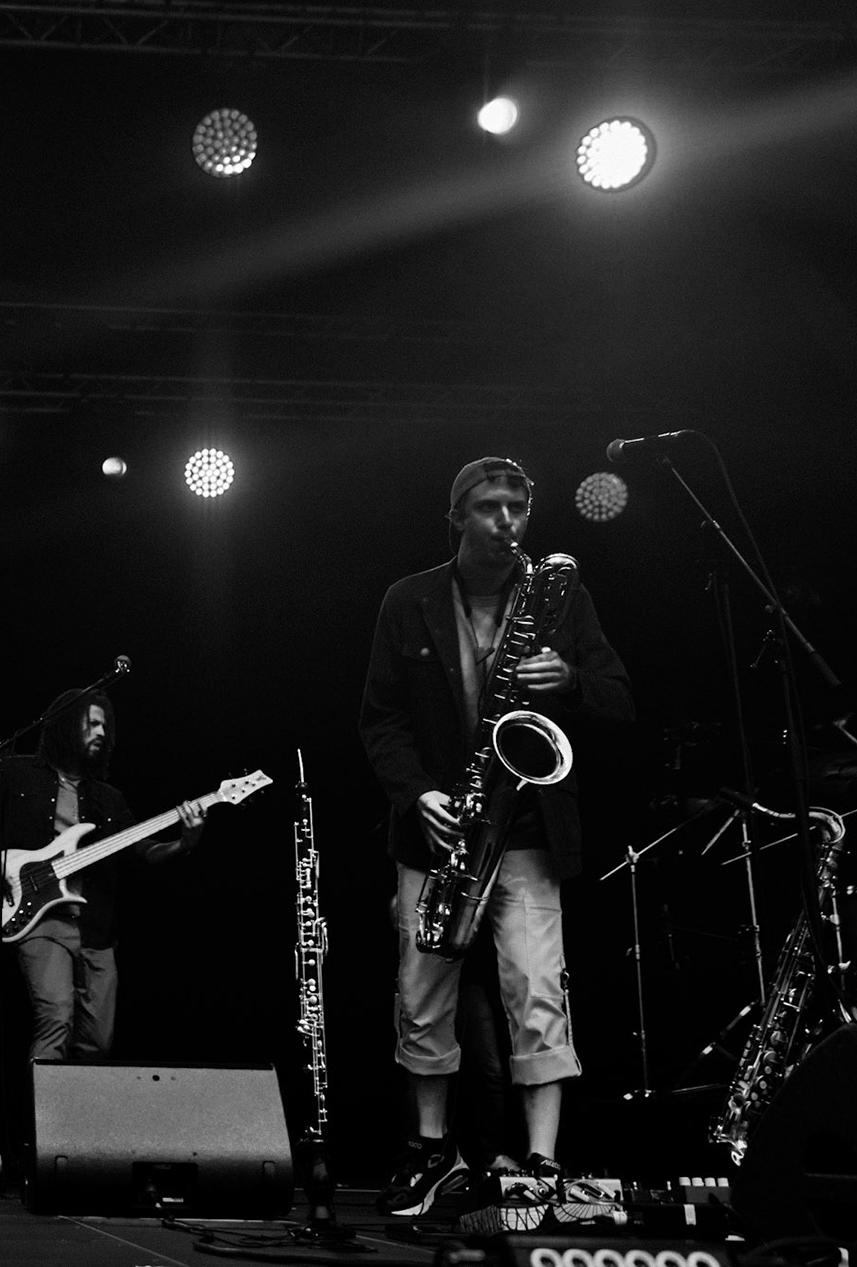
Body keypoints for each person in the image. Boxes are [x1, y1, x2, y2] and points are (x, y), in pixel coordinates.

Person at [358, 455, 632, 1216]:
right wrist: (417, 795)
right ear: (457, 517)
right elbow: (379, 720)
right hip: (438, 829)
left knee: (538, 987)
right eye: (489, 506)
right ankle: (429, 1150)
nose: (507, 520)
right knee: (422, 995)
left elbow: (618, 699)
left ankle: (542, 1164)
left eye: (518, 505)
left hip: (527, 825)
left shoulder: (560, 600)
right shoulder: (407, 599)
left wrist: (569, 680)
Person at [0, 688, 205, 1064]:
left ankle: (78, 1117)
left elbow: (145, 851)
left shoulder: (109, 799)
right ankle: (43, 1122)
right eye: (92, 723)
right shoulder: (16, 772)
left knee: (99, 1041)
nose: (101, 732)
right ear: (68, 725)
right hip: (39, 921)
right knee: (56, 1020)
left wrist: (185, 841)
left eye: (105, 726)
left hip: (96, 929)